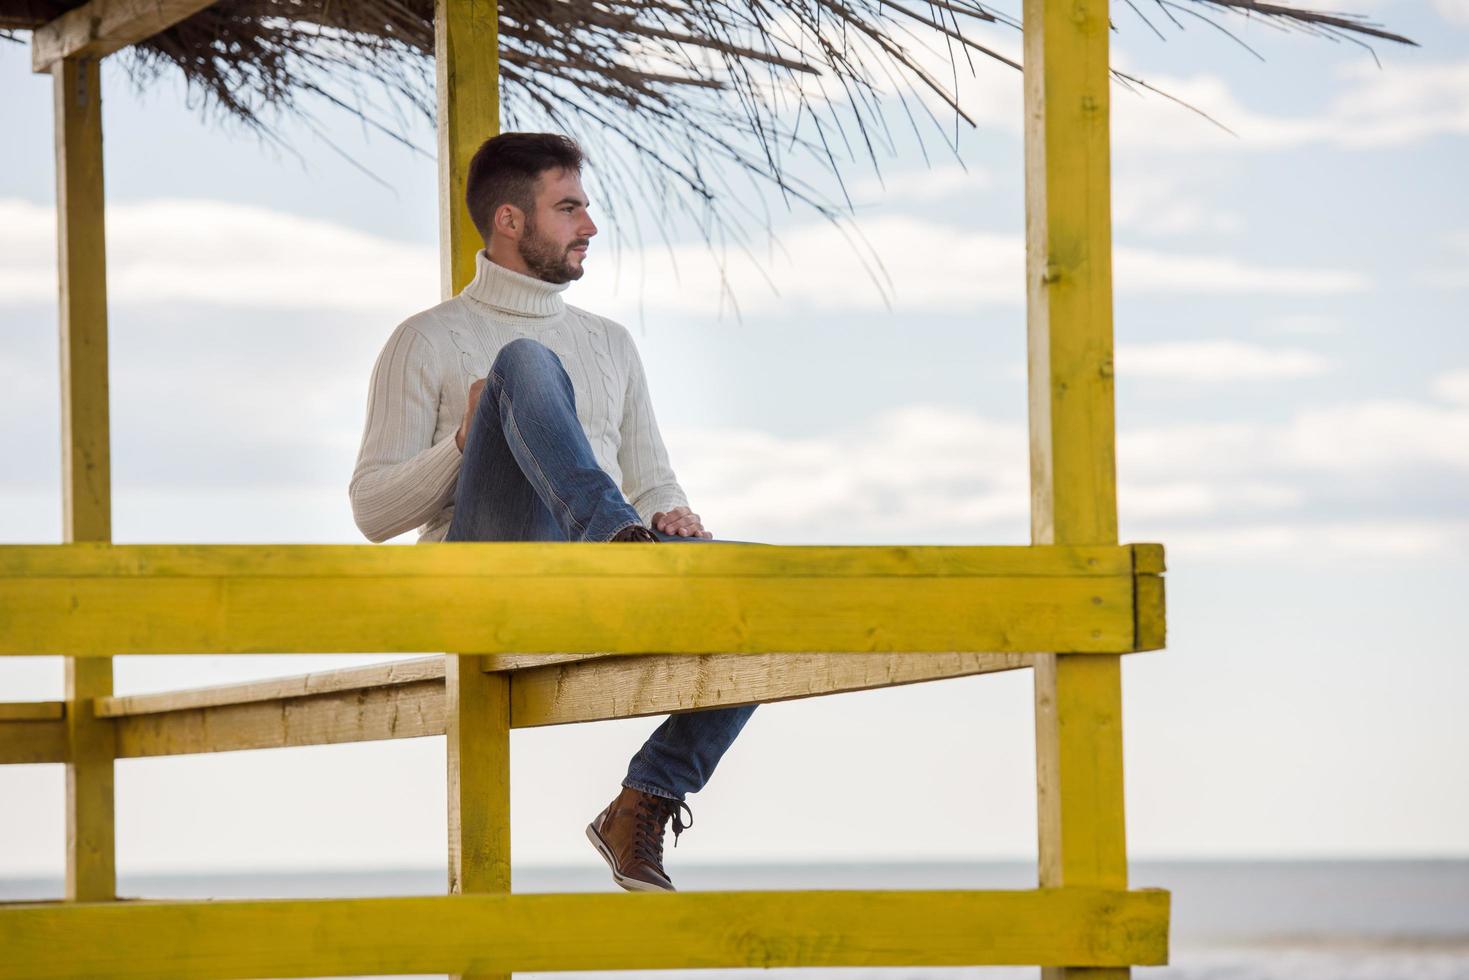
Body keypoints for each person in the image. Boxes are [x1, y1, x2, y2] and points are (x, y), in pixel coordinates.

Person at [348, 131, 756, 892]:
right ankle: (615, 542)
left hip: (597, 569)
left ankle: (646, 799)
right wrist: (466, 441)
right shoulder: (428, 339)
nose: (589, 227)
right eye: (568, 208)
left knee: (758, 592)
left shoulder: (611, 343)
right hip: (486, 577)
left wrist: (672, 516)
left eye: (586, 208)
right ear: (509, 220)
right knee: (526, 365)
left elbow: (654, 479)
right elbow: (372, 511)